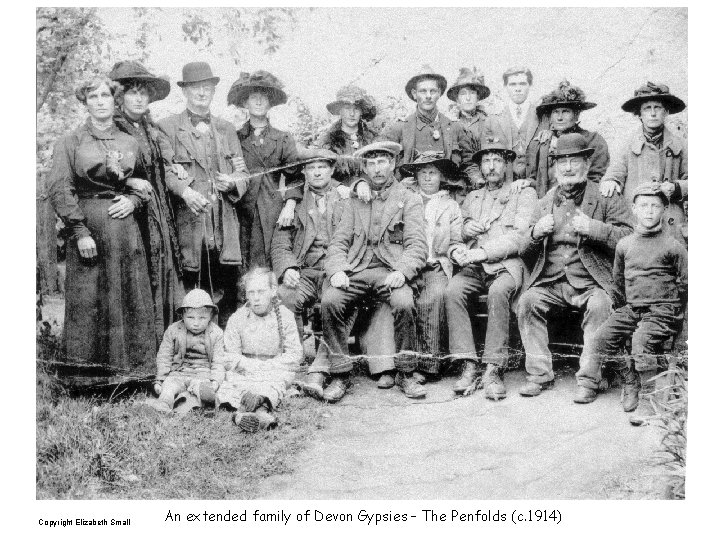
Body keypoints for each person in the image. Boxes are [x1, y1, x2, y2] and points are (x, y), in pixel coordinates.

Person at [47, 75, 156, 381]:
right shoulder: (71, 142)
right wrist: (80, 231)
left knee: (128, 295)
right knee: (89, 299)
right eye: (92, 96)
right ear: (85, 102)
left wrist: (133, 201)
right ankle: (87, 378)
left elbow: (143, 184)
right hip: (89, 225)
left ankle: (132, 374)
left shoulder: (129, 141)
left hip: (124, 229)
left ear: (114, 100)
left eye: (105, 96)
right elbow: (59, 188)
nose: (99, 101)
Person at [516, 133, 633, 397]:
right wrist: (535, 233)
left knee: (600, 305)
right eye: (562, 162)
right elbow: (524, 250)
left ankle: (589, 380)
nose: (568, 167)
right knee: (527, 301)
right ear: (555, 167)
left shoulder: (605, 197)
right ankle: (539, 374)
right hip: (553, 282)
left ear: (587, 163)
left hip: (592, 283)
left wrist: (594, 228)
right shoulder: (546, 201)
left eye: (574, 161)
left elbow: (629, 238)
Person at [319, 141, 428, 402]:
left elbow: (417, 245)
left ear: (392, 164)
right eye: (371, 163)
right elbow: (339, 242)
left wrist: (402, 271)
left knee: (403, 302)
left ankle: (406, 372)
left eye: (382, 162)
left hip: (390, 270)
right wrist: (336, 270)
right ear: (365, 168)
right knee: (330, 301)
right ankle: (340, 373)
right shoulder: (355, 201)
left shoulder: (409, 199)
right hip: (357, 269)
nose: (377, 168)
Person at [578, 183, 687, 424]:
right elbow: (618, 282)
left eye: (655, 206)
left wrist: (676, 314)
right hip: (633, 308)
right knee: (601, 337)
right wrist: (625, 310)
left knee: (640, 341)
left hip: (662, 312)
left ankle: (649, 400)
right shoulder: (625, 244)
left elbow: (687, 283)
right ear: (634, 209)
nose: (649, 211)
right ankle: (631, 380)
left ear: (665, 209)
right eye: (643, 206)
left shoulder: (673, 246)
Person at [157, 62, 250, 327]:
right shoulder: (168, 127)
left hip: (223, 225)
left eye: (206, 87)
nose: (201, 93)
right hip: (188, 224)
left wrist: (232, 183)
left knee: (225, 287)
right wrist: (184, 191)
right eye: (195, 87)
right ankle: (189, 352)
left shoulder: (226, 128)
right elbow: (163, 170)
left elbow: (243, 173)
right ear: (185, 91)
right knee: (189, 287)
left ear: (213, 91)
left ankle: (222, 351)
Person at [445, 139, 538, 398]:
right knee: (453, 290)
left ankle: (493, 367)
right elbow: (456, 231)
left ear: (507, 164)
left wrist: (482, 251)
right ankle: (468, 363)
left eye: (498, 160)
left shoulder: (524, 194)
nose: (492, 166)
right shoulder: (473, 198)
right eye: (486, 161)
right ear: (480, 167)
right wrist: (465, 230)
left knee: (499, 293)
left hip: (506, 266)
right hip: (475, 267)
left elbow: (520, 237)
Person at [109, 60, 184, 340]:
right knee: (136, 280)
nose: (139, 98)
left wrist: (174, 166)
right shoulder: (113, 129)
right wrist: (128, 182)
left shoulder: (150, 129)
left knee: (162, 275)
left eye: (144, 92)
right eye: (132, 92)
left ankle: (164, 352)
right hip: (130, 213)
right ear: (120, 97)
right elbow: (99, 170)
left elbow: (165, 162)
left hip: (158, 213)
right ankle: (140, 356)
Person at [229, 70, 333, 269]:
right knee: (241, 257)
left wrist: (290, 204)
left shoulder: (283, 138)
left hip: (272, 206)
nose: (259, 102)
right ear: (245, 103)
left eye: (263, 98)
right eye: (253, 97)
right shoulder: (234, 137)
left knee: (272, 254)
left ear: (270, 104)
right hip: (241, 205)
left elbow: (295, 176)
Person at [397, 151, 463, 380]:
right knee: (405, 300)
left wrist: (456, 251)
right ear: (415, 176)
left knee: (433, 298)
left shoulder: (450, 205)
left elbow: (455, 240)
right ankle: (405, 365)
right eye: (422, 172)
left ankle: (429, 365)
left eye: (432, 173)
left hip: (436, 264)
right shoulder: (404, 199)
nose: (427, 178)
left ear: (441, 176)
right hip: (408, 264)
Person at [271, 150, 349, 341]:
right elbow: (280, 242)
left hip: (335, 271)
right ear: (304, 172)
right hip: (304, 272)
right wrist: (288, 268)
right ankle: (293, 354)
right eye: (311, 168)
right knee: (285, 295)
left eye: (322, 167)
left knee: (336, 299)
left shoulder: (346, 198)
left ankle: (331, 359)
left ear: (331, 170)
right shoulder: (294, 201)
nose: (317, 172)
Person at [599, 82, 688, 243]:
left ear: (666, 111)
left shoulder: (681, 145)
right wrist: (611, 180)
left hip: (670, 223)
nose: (653, 113)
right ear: (639, 113)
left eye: (658, 108)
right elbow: (616, 171)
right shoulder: (627, 144)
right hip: (637, 221)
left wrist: (676, 188)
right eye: (647, 108)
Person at [216, 267, 303, 432]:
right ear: (246, 294)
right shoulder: (237, 318)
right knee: (231, 385)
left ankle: (244, 413)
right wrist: (250, 365)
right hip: (245, 371)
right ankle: (259, 413)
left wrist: (267, 366)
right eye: (251, 292)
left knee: (272, 384)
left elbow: (295, 355)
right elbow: (229, 356)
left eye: (261, 292)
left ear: (273, 291)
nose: (256, 298)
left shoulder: (285, 316)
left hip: (274, 370)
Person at [525, 80, 609, 198]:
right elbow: (535, 180)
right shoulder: (542, 142)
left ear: (576, 114)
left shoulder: (593, 140)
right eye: (555, 112)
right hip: (548, 203)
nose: (559, 117)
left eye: (565, 112)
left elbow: (596, 178)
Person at [152, 289, 225, 414]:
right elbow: (164, 356)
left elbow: (218, 361)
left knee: (201, 391)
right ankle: (164, 404)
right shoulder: (173, 330)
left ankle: (205, 401)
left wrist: (215, 381)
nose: (196, 323)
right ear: (183, 316)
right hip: (178, 373)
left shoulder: (216, 333)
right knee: (169, 387)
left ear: (210, 316)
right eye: (190, 317)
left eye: (202, 318)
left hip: (203, 374)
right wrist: (160, 380)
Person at [383, 65, 465, 170]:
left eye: (433, 91)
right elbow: (386, 165)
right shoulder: (399, 128)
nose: (428, 96)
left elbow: (468, 163)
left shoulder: (454, 127)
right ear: (414, 94)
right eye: (423, 91)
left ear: (439, 93)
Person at [484, 67, 540, 180]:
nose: (518, 89)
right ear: (505, 87)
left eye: (522, 84)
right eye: (513, 84)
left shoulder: (541, 116)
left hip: (535, 182)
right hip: (505, 182)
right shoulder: (493, 119)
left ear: (530, 86)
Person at [317, 85, 379, 186]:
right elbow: (320, 174)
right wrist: (339, 186)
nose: (352, 113)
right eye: (347, 108)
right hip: (338, 194)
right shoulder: (327, 140)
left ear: (362, 112)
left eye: (356, 109)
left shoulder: (373, 139)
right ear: (340, 111)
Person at [446, 67, 491, 187]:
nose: (468, 98)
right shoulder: (449, 125)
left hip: (487, 181)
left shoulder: (490, 123)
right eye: (463, 93)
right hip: (457, 185)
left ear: (478, 97)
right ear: (457, 99)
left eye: (472, 93)